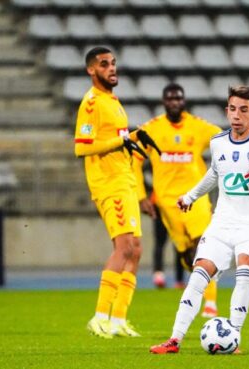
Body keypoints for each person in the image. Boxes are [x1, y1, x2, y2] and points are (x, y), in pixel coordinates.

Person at [149, 85, 249, 354]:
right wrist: (190, 196)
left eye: (244, 110)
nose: (236, 115)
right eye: (232, 109)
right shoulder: (218, 142)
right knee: (198, 276)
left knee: (244, 270)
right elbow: (214, 174)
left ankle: (234, 338)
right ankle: (174, 340)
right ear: (226, 111)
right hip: (221, 222)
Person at [74, 46, 157, 338]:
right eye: (104, 64)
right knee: (123, 248)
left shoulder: (113, 101)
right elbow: (81, 147)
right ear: (91, 70)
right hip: (108, 184)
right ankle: (99, 317)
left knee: (135, 250)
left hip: (126, 181)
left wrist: (134, 137)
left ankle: (119, 319)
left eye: (113, 63)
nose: (112, 68)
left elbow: (116, 138)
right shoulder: (92, 103)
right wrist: (119, 143)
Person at [133, 83, 222, 316]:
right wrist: (141, 195)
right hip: (167, 202)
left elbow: (224, 139)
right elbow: (133, 159)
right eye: (170, 99)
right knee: (187, 255)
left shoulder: (198, 126)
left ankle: (211, 303)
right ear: (164, 102)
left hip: (196, 197)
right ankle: (199, 285)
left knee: (204, 244)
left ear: (184, 101)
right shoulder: (151, 129)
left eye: (178, 98)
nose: (175, 102)